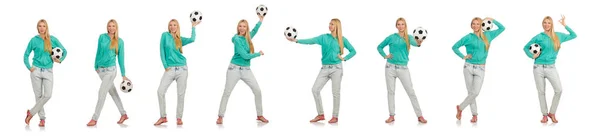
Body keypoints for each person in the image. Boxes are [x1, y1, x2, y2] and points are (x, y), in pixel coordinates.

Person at [287, 18, 357, 123]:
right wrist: (296, 40)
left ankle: (335, 116)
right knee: (315, 90)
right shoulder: (324, 37)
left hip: (336, 69)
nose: (329, 25)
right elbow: (311, 41)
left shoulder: (342, 39)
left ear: (337, 26)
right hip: (324, 68)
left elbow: (353, 51)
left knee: (335, 93)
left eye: (332, 24)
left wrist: (345, 58)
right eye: (329, 24)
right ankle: (320, 115)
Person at [523, 15, 576, 123]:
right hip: (538, 67)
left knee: (559, 90)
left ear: (552, 24)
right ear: (542, 24)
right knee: (541, 92)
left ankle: (552, 113)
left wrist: (565, 25)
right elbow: (525, 47)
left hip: (551, 67)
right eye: (544, 22)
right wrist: (532, 56)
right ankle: (544, 115)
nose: (546, 24)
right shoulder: (539, 36)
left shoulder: (558, 36)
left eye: (548, 23)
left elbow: (574, 35)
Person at [216, 14, 268, 124]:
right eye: (240, 26)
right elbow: (245, 55)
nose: (242, 28)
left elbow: (255, 30)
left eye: (244, 26)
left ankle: (260, 115)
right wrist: (258, 54)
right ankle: (220, 116)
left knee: (257, 91)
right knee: (227, 92)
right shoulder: (236, 39)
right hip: (234, 69)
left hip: (246, 70)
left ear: (246, 28)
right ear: (237, 28)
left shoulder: (247, 38)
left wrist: (260, 20)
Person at [452, 17, 505, 123]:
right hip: (468, 67)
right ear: (471, 25)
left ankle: (460, 108)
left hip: (480, 68)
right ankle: (474, 115)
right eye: (473, 24)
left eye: (478, 24)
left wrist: (492, 19)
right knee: (471, 92)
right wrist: (463, 56)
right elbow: (454, 47)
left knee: (475, 92)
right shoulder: (468, 37)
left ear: (482, 25)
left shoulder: (488, 35)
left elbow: (502, 28)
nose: (475, 26)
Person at [376, 17, 427, 123]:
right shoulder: (391, 37)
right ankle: (391, 115)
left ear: (405, 26)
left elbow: (416, 43)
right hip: (390, 67)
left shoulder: (409, 38)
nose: (400, 26)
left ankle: (419, 115)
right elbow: (379, 47)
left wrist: (420, 41)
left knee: (411, 92)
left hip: (403, 68)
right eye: (398, 24)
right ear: (396, 26)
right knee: (391, 92)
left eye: (402, 24)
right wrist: (385, 56)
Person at [154, 19, 199, 125]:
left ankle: (179, 118)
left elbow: (192, 39)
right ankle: (163, 117)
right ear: (168, 27)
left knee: (180, 94)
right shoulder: (164, 35)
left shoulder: (180, 39)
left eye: (175, 25)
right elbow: (161, 51)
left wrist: (193, 26)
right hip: (169, 69)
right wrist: (165, 66)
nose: (172, 26)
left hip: (182, 69)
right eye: (171, 25)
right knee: (160, 91)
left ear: (177, 27)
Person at [23, 19, 68, 127]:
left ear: (46, 28)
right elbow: (26, 55)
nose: (42, 28)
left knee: (47, 95)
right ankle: (42, 119)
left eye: (44, 26)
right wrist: (30, 67)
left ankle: (31, 113)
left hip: (48, 71)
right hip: (36, 70)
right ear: (37, 28)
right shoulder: (33, 40)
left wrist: (60, 60)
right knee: (38, 96)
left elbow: (65, 51)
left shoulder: (52, 39)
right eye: (39, 26)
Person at [86, 19, 130, 126]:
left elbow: (121, 59)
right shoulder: (102, 37)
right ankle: (123, 114)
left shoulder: (120, 41)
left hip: (111, 71)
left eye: (113, 26)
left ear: (116, 28)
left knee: (102, 92)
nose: (111, 28)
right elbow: (98, 51)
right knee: (113, 92)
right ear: (107, 27)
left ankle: (95, 118)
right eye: (109, 26)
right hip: (100, 70)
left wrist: (123, 75)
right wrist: (95, 65)